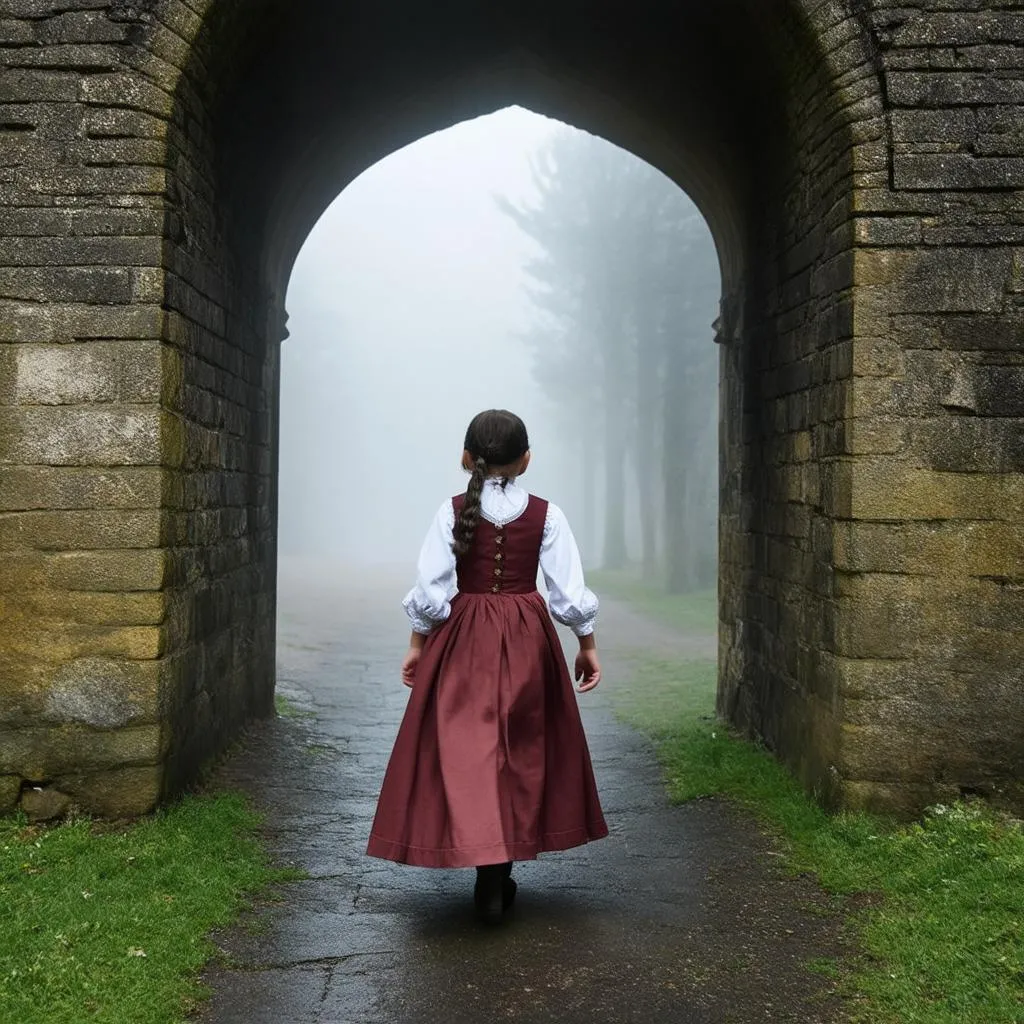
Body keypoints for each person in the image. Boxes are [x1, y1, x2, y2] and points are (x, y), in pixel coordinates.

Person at [366, 409, 608, 923]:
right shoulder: (548, 514)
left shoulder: (451, 509)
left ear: (467, 458)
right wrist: (586, 643)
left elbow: (432, 591)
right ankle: (497, 871)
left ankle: (489, 867)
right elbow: (567, 592)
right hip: (527, 639)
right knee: (519, 751)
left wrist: (417, 643)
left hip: (464, 638)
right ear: (526, 459)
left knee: (471, 751)